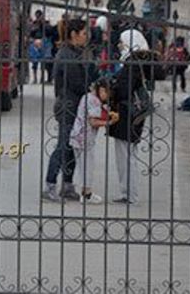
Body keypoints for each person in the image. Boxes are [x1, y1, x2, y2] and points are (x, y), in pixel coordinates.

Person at [43, 18, 96, 202]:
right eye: (83, 33)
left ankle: (67, 185)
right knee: (63, 146)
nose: (86, 36)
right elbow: (77, 83)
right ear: (74, 34)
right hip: (68, 106)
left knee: (72, 147)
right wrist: (93, 89)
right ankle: (50, 185)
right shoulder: (66, 54)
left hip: (75, 105)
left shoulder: (76, 52)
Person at [109, 29, 163, 205]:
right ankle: (128, 193)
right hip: (134, 115)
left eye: (122, 42)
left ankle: (130, 194)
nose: (119, 46)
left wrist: (112, 89)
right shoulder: (142, 62)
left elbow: (124, 90)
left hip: (126, 115)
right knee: (129, 154)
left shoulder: (132, 64)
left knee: (125, 157)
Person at [69, 78, 119, 204]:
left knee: (82, 166)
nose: (107, 96)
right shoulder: (94, 101)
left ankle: (84, 192)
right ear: (101, 90)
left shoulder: (86, 97)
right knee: (88, 166)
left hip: (77, 136)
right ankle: (86, 195)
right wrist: (109, 122)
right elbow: (93, 121)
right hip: (85, 138)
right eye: (107, 93)